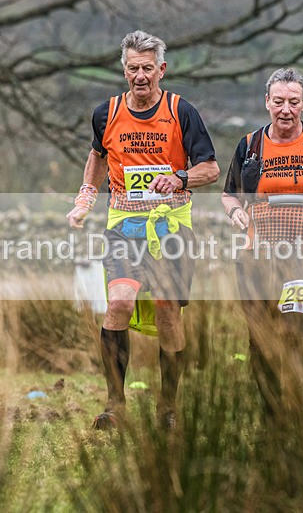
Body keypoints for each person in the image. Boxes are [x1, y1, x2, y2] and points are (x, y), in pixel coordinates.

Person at [67, 30, 220, 430]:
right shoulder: (106, 113)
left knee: (168, 313)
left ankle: (168, 407)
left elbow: (211, 168)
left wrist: (181, 178)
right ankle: (115, 405)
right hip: (124, 227)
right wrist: (86, 196)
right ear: (124, 70)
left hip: (171, 227)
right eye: (133, 68)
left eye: (147, 68)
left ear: (161, 70)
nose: (140, 76)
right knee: (118, 303)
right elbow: (98, 156)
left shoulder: (181, 111)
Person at [221, 67, 303, 420]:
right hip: (257, 255)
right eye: (278, 101)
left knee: (298, 325)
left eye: (294, 102)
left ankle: (294, 402)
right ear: (267, 103)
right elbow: (230, 196)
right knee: (261, 334)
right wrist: (235, 215)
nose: (286, 110)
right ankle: (270, 409)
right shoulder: (250, 145)